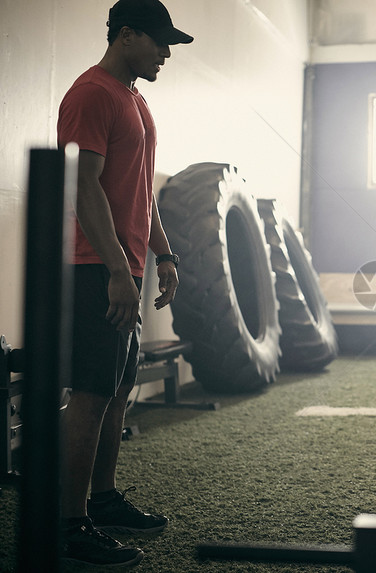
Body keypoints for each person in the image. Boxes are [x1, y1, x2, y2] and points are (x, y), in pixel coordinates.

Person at [56, 0, 192, 567]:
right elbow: (83, 188)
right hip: (96, 267)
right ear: (126, 35)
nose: (166, 53)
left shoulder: (135, 99)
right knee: (90, 394)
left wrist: (163, 252)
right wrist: (115, 268)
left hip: (127, 266)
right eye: (159, 42)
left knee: (115, 389)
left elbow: (140, 191)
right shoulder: (91, 94)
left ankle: (103, 499)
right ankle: (68, 523)